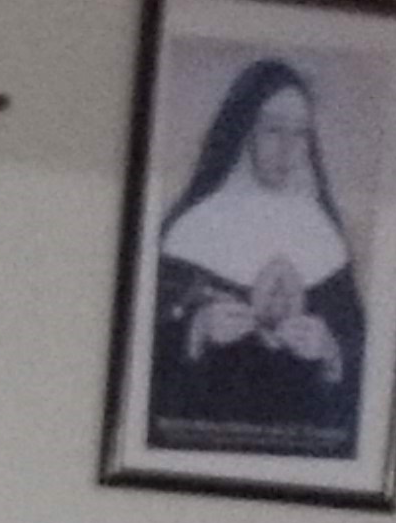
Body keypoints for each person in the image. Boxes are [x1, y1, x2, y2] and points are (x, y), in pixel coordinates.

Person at [145, 56, 368, 458]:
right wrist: (196, 330)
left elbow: (362, 363)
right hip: (203, 442)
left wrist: (330, 350)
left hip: (302, 451)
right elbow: (144, 363)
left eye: (300, 133)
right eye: (273, 129)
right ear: (243, 129)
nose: (288, 149)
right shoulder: (191, 230)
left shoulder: (322, 233)